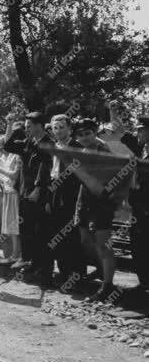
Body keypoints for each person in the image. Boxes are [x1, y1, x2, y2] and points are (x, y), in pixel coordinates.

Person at [4, 112, 54, 283]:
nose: (26, 129)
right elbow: (8, 146)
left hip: (38, 194)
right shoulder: (28, 142)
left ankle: (45, 270)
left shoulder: (48, 143)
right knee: (27, 230)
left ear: (39, 125)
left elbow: (45, 168)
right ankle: (32, 262)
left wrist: (38, 189)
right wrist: (9, 125)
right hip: (25, 192)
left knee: (41, 232)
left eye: (29, 126)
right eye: (25, 126)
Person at [73, 118, 119, 301]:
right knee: (85, 239)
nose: (84, 137)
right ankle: (102, 270)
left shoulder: (103, 149)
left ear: (94, 132)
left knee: (104, 244)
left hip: (101, 201)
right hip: (85, 198)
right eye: (81, 134)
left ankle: (108, 286)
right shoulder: (83, 150)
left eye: (88, 133)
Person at [45, 114, 86, 288]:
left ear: (69, 128)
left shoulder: (77, 147)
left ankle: (76, 276)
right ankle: (63, 273)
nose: (58, 131)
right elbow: (50, 174)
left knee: (72, 237)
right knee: (57, 235)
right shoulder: (52, 147)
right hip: (55, 194)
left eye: (62, 127)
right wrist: (48, 199)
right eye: (55, 128)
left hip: (71, 195)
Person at [0, 134, 23, 266]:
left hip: (14, 193)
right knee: (7, 227)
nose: (0, 147)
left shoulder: (16, 156)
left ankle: (17, 255)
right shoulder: (1, 159)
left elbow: (15, 175)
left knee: (14, 226)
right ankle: (11, 254)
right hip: (5, 193)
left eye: (2, 144)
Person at [129, 116, 149, 292]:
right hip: (138, 205)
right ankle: (144, 281)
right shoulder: (140, 148)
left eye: (141, 130)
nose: (138, 133)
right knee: (137, 243)